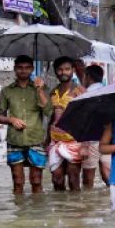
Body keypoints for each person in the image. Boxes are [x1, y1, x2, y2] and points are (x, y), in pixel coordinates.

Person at [0, 55, 52, 194]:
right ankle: (20, 214)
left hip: (36, 139)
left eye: (27, 68)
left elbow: (48, 111)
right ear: (15, 69)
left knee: (37, 181)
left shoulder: (41, 89)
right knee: (18, 182)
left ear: (32, 69)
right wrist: (11, 120)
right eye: (20, 68)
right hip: (15, 139)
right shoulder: (6, 90)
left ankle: (35, 214)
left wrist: (39, 90)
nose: (23, 71)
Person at [46, 56, 85, 191]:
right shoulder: (53, 92)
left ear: (73, 70)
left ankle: (74, 210)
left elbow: (87, 117)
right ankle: (60, 211)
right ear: (56, 71)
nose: (64, 72)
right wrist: (46, 140)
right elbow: (51, 117)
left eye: (67, 69)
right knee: (57, 178)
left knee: (73, 177)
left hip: (74, 140)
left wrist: (85, 144)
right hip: (55, 140)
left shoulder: (80, 91)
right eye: (60, 69)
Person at [81, 64, 111, 188]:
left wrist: (83, 145)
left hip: (91, 140)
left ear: (87, 77)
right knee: (109, 177)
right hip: (109, 139)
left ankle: (88, 206)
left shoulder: (85, 95)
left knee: (88, 181)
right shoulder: (110, 92)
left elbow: (85, 120)